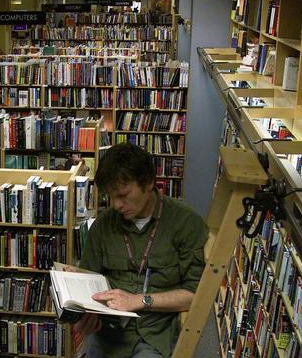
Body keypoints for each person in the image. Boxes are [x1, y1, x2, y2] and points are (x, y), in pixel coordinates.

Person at [73, 143, 208, 358]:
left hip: (155, 332)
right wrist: (84, 317)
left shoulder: (186, 223)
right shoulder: (103, 225)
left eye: (123, 195)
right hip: (109, 331)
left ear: (148, 183)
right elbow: (86, 280)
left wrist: (140, 300)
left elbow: (197, 296)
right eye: (110, 197)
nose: (116, 205)